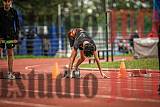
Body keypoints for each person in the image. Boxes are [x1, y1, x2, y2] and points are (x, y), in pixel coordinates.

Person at [0, 0, 20, 79]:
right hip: (1, 35)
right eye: (5, 1)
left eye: (8, 1)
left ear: (11, 2)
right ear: (3, 2)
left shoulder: (14, 12)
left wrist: (16, 37)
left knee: (10, 53)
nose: (7, 3)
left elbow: (17, 25)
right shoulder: (0, 11)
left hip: (10, 36)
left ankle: (10, 73)